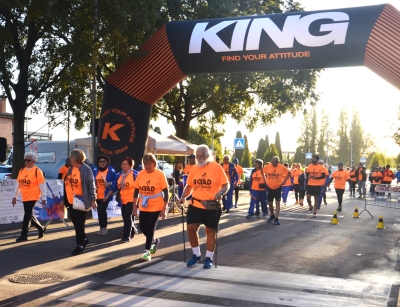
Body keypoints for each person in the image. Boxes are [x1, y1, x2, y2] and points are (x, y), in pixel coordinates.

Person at [179, 145, 229, 269]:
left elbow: (226, 185)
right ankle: (196, 255)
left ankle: (208, 258)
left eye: (201, 156)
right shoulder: (194, 168)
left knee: (210, 231)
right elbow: (189, 185)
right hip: (196, 204)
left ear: (207, 156)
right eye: (197, 156)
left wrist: (220, 193)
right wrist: (183, 196)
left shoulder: (216, 167)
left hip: (211, 205)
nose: (198, 158)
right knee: (191, 227)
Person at [133, 153, 169, 261]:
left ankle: (146, 251)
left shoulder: (159, 174)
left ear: (154, 164)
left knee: (150, 226)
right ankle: (154, 241)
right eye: (145, 164)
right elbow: (136, 190)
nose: (147, 166)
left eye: (149, 164)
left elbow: (166, 192)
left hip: (156, 205)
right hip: (144, 205)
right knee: (142, 227)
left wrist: (164, 208)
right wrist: (134, 206)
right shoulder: (141, 174)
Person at [62, 149, 97, 256]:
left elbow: (91, 185)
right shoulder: (71, 169)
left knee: (79, 224)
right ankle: (84, 238)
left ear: (76, 157)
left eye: (71, 156)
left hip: (81, 200)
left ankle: (80, 245)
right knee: (75, 222)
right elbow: (67, 183)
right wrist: (63, 200)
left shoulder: (86, 169)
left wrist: (93, 199)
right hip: (70, 200)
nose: (70, 158)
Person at [12, 152, 47, 242]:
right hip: (25, 195)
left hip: (34, 195)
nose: (26, 162)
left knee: (27, 215)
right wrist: (14, 196)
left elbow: (42, 185)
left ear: (34, 161)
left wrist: (44, 198)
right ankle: (41, 228)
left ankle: (23, 235)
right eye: (25, 160)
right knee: (29, 215)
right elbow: (17, 184)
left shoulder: (37, 171)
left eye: (29, 160)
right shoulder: (22, 170)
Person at [112, 157, 138, 242]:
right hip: (123, 199)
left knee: (127, 216)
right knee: (125, 217)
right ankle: (132, 230)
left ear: (130, 164)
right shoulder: (119, 175)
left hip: (132, 199)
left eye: (126, 164)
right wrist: (108, 194)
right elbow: (116, 186)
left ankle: (126, 236)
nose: (124, 165)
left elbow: (139, 187)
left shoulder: (135, 174)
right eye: (123, 164)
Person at [93, 154, 117, 236]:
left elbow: (116, 181)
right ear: (98, 162)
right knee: (99, 212)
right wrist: (94, 185)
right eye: (100, 161)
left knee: (102, 210)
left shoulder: (111, 170)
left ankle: (105, 228)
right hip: (97, 195)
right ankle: (101, 228)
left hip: (106, 194)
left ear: (107, 162)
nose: (102, 163)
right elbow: (92, 180)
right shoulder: (96, 170)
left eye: (104, 161)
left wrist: (110, 183)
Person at [264, 156, 290, 225]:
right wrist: (265, 180)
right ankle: (272, 215)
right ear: (271, 161)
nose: (274, 162)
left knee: (277, 202)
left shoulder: (281, 167)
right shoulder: (268, 166)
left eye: (276, 161)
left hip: (278, 187)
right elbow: (262, 172)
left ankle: (276, 218)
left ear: (278, 162)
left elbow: (289, 173)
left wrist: (284, 180)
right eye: (273, 161)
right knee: (270, 203)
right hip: (269, 187)